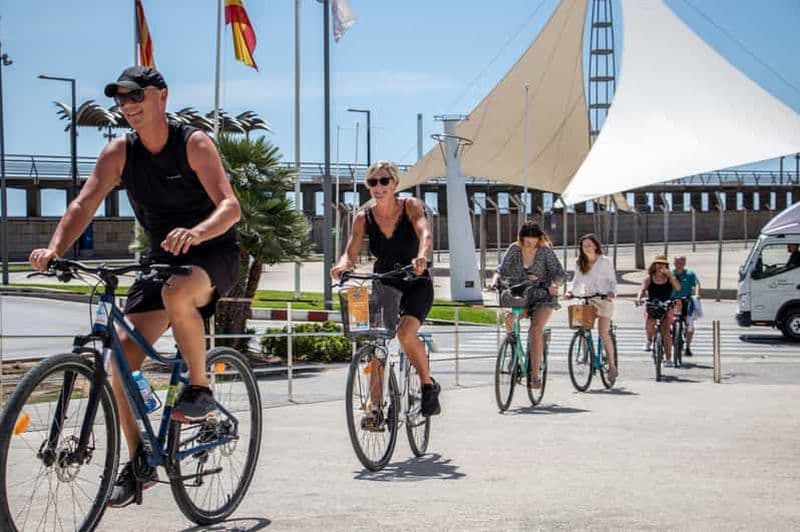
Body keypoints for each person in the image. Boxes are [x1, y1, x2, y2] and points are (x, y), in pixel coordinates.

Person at [29, 66, 242, 508]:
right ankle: (139, 460)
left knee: (177, 292)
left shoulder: (194, 144)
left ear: (161, 96)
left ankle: (199, 389)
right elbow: (85, 202)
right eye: (121, 101)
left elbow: (230, 206)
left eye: (135, 97)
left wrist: (197, 233)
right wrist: (53, 249)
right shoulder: (118, 152)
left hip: (210, 252)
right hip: (160, 259)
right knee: (119, 356)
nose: (128, 107)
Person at [330, 161, 439, 421]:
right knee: (376, 342)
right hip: (386, 281)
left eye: (383, 181)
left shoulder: (410, 206)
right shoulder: (362, 217)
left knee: (405, 333)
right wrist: (343, 264)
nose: (378, 187)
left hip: (415, 281)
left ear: (395, 184)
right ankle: (375, 407)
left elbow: (424, 233)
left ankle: (427, 385)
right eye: (372, 182)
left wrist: (422, 257)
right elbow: (351, 250)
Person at [490, 222, 565, 389]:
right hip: (521, 295)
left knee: (536, 328)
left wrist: (554, 284)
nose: (531, 246)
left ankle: (535, 375)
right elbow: (500, 270)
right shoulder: (514, 249)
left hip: (543, 296)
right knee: (509, 319)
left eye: (534, 242)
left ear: (539, 239)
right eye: (527, 242)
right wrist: (494, 281)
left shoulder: (545, 252)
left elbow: (559, 273)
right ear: (521, 239)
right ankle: (513, 353)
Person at [567, 234, 619, 381]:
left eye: (589, 245)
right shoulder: (579, 262)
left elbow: (612, 281)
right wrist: (570, 292)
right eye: (584, 246)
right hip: (587, 299)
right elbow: (576, 281)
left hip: (603, 300)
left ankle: (612, 366)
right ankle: (585, 354)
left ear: (596, 246)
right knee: (581, 328)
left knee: (603, 333)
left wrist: (611, 292)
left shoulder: (605, 261)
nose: (587, 248)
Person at [637, 254, 681, 365]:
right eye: (658, 264)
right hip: (653, 304)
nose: (661, 266)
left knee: (666, 330)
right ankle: (649, 340)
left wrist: (671, 276)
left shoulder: (669, 278)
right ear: (654, 265)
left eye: (663, 264)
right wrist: (638, 298)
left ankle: (668, 358)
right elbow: (642, 289)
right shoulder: (649, 278)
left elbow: (678, 287)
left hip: (666, 305)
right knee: (650, 321)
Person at [671, 255, 701, 356]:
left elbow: (696, 283)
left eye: (680, 263)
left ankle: (687, 346)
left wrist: (697, 294)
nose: (678, 265)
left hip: (686, 300)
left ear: (684, 264)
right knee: (668, 320)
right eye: (676, 263)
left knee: (690, 323)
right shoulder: (670, 274)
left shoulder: (690, 274)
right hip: (673, 300)